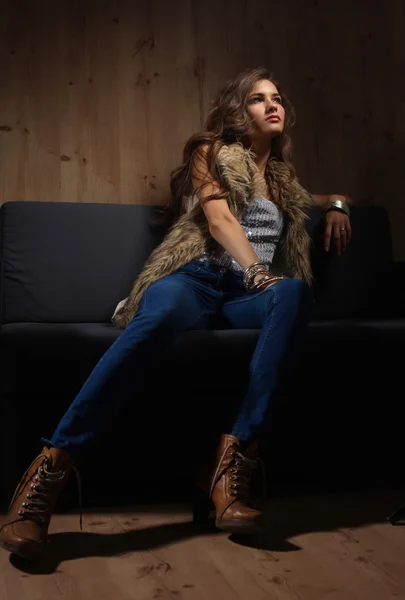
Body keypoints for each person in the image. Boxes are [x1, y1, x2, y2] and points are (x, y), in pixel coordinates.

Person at [0, 67, 352, 560]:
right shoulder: (210, 151)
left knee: (294, 295)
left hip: (242, 298)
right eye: (258, 99)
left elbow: (316, 200)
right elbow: (220, 217)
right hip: (197, 277)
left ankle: (231, 466)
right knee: (160, 318)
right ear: (238, 110)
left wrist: (337, 203)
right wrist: (255, 270)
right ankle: (49, 472)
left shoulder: (282, 179)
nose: (273, 105)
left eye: (277, 98)